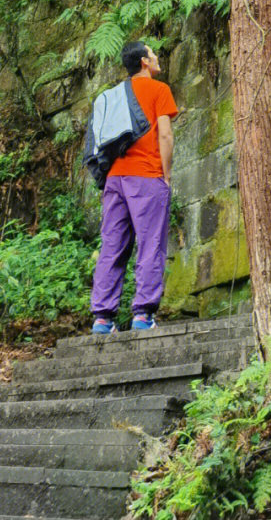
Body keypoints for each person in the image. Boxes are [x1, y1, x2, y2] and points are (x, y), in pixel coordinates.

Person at [89, 40, 178, 334]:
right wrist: (165, 175)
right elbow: (164, 135)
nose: (156, 56)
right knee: (150, 243)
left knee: (112, 247)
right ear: (143, 62)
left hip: (115, 180)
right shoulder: (159, 89)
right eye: (152, 53)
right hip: (147, 177)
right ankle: (143, 315)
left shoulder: (112, 96)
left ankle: (103, 319)